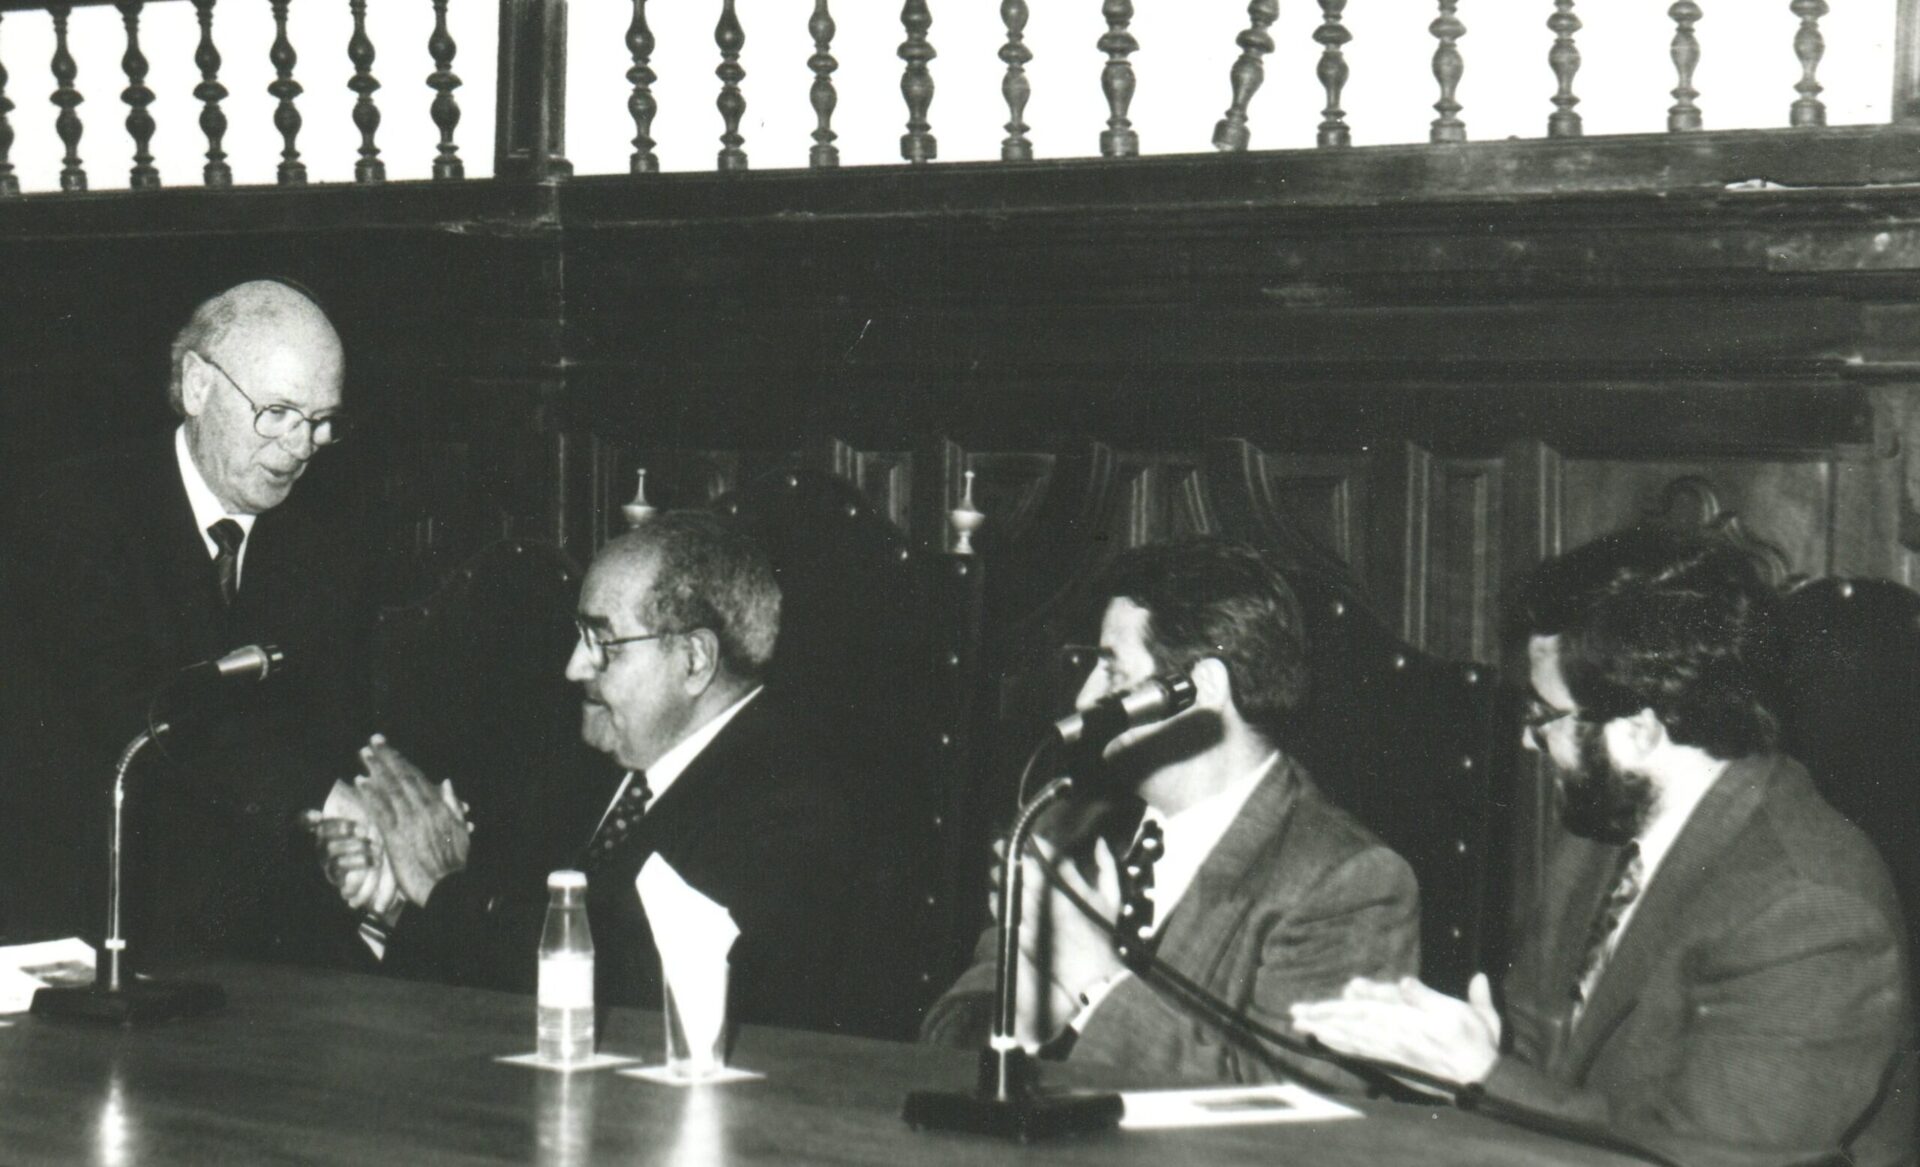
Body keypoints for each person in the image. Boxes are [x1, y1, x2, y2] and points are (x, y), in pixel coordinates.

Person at [1291, 527, 1915, 1165]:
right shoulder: (1604, 836)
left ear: (1641, 730)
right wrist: (1453, 1062)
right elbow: (1542, 1067)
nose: (1530, 744)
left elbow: (1717, 1156)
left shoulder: (1809, 908)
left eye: (1544, 717)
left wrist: (1483, 1077)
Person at [310, 512, 863, 1035]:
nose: (576, 666)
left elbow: (634, 997)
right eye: (580, 636)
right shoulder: (585, 769)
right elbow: (492, 953)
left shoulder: (792, 807)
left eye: (604, 643)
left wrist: (444, 887)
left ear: (695, 659)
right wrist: (395, 897)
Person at [920, 536, 1420, 1084]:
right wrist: (1027, 1015)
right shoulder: (1064, 828)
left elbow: (1298, 1117)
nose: (1086, 698)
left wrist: (1095, 981)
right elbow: (945, 1039)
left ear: (1197, 689)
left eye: (1112, 670)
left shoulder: (1347, 883)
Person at [0, 279, 369, 961]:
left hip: (254, 938)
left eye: (322, 420)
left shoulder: (325, 552)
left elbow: (328, 731)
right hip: (84, 919)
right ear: (198, 385)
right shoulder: (74, 512)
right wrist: (317, 794)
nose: (302, 445)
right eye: (279, 412)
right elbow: (139, 711)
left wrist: (333, 830)